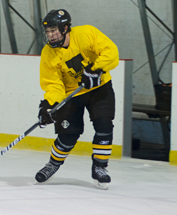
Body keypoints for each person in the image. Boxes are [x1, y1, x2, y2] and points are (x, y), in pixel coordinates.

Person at [36, 9, 119, 189]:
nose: (50, 35)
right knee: (68, 135)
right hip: (72, 94)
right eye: (48, 32)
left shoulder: (86, 33)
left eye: (54, 30)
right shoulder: (48, 53)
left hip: (100, 88)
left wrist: (96, 69)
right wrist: (49, 105)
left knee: (104, 125)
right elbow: (53, 83)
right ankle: (53, 164)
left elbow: (110, 51)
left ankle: (100, 167)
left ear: (65, 28)